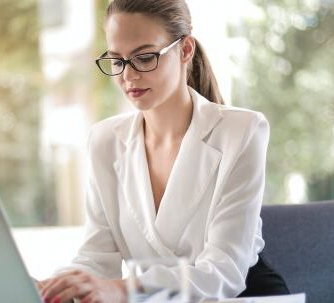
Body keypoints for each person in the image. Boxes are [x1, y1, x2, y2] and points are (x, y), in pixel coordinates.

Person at [40, 1, 289, 302]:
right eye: (117, 60)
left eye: (144, 58)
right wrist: (53, 287)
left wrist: (123, 289)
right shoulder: (104, 141)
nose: (128, 76)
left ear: (185, 50)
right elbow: (97, 257)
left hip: (239, 295)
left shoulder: (243, 131)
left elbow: (224, 272)